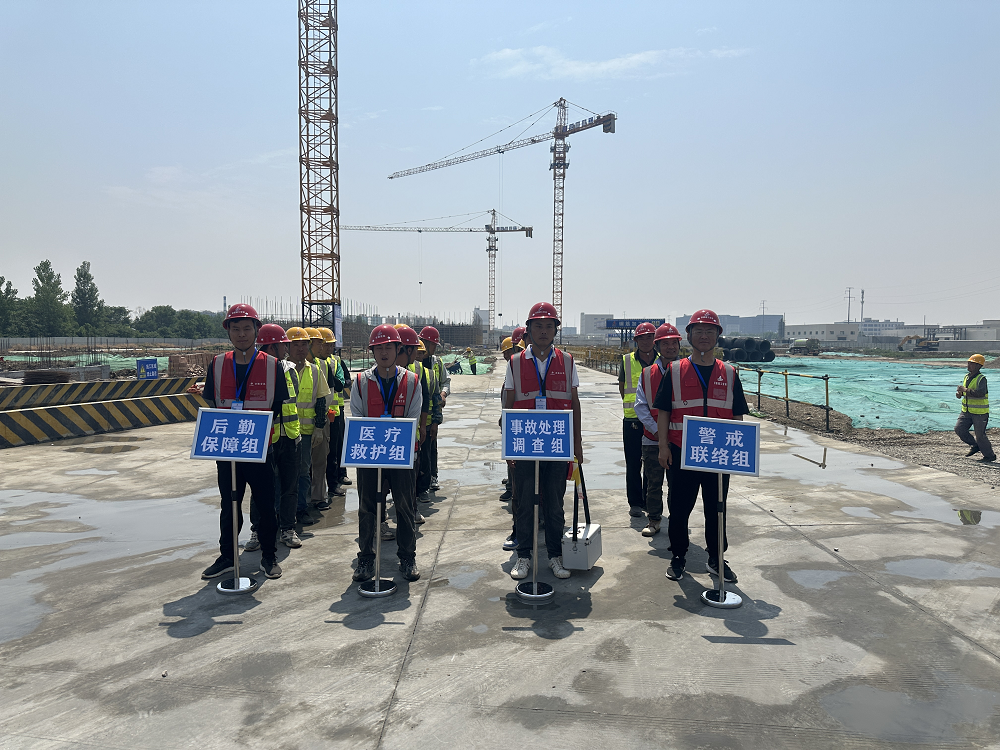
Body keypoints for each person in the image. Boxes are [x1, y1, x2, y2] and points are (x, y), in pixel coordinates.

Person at [654, 309, 749, 583]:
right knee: (679, 508)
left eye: (710, 331)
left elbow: (737, 415)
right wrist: (663, 447)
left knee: (716, 508)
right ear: (689, 336)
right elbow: (663, 411)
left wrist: (735, 451)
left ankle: (716, 558)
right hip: (681, 452)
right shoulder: (674, 371)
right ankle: (678, 556)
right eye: (699, 331)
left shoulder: (729, 372)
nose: (704, 336)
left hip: (717, 454)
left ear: (718, 335)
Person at [199, 304, 291, 581]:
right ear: (228, 331)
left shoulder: (272, 365)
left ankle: (269, 556)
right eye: (236, 329)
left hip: (260, 448)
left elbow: (276, 406)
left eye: (247, 329)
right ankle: (228, 556)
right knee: (230, 503)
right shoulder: (217, 364)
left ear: (256, 331)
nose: (241, 334)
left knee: (265, 504)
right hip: (228, 449)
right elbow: (213, 402)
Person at [503, 302, 584, 581]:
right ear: (528, 330)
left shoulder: (567, 361)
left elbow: (574, 403)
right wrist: (509, 444)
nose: (543, 331)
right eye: (538, 326)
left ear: (555, 331)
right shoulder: (515, 362)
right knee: (525, 501)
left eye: (549, 326)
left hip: (557, 443)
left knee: (554, 502)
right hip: (526, 443)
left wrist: (577, 442)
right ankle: (524, 555)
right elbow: (509, 404)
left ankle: (555, 556)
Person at [350, 324, 422, 582]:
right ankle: (366, 559)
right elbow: (357, 417)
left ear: (398, 349)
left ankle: (407, 557)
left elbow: (413, 418)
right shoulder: (361, 382)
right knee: (367, 508)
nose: (383, 353)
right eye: (378, 348)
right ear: (372, 351)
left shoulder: (412, 381)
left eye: (388, 347)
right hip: (370, 456)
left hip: (402, 456)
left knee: (404, 506)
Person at [245, 323, 303, 551]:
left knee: (290, 487)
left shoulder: (290, 370)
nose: (287, 350)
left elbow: (293, 401)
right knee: (260, 489)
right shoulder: (254, 370)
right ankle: (257, 531)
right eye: (283, 346)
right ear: (271, 347)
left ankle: (287, 529)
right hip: (265, 439)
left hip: (290, 436)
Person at [633, 323, 682, 537]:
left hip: (679, 439)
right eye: (665, 343)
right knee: (653, 483)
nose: (670, 347)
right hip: (652, 439)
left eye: (674, 343)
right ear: (657, 346)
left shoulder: (687, 371)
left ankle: (678, 521)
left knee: (678, 485)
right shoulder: (647, 374)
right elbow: (640, 406)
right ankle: (654, 519)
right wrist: (658, 432)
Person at [286, 327, 330, 526]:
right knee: (282, 474)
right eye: (296, 344)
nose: (300, 349)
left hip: (305, 432)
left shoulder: (314, 370)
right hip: (283, 432)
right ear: (287, 347)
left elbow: (321, 400)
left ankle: (301, 509)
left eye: (304, 344)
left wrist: (319, 428)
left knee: (303, 472)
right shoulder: (280, 369)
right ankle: (282, 512)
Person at [620, 322, 659, 520]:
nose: (645, 341)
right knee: (633, 463)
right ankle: (635, 503)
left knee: (652, 465)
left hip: (655, 421)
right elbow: (622, 387)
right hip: (633, 420)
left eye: (649, 337)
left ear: (655, 340)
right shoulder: (627, 360)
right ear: (636, 340)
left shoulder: (662, 360)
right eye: (641, 338)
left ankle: (647, 500)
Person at [394, 325, 430, 523]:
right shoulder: (377, 376)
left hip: (409, 438)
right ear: (405, 350)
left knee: (409, 479)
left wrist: (422, 426)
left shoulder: (412, 376)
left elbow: (424, 401)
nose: (417, 354)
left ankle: (411, 510)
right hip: (387, 438)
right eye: (415, 349)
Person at [497, 336, 524, 551]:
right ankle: (521, 531)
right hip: (517, 431)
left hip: (530, 431)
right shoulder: (513, 369)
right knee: (519, 489)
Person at [419, 326, 449, 492]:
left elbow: (446, 382)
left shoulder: (437, 363)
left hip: (432, 414)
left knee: (431, 448)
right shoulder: (413, 363)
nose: (435, 348)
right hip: (417, 415)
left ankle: (433, 476)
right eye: (433, 345)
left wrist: (443, 394)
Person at [955, 354, 995, 462]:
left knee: (980, 435)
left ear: (978, 366)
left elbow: (981, 393)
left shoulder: (981, 379)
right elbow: (967, 392)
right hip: (966, 411)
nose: (969, 365)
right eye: (968, 363)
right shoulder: (966, 377)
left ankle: (989, 456)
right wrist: (960, 394)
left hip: (980, 413)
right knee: (959, 429)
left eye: (972, 363)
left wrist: (965, 390)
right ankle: (974, 445)